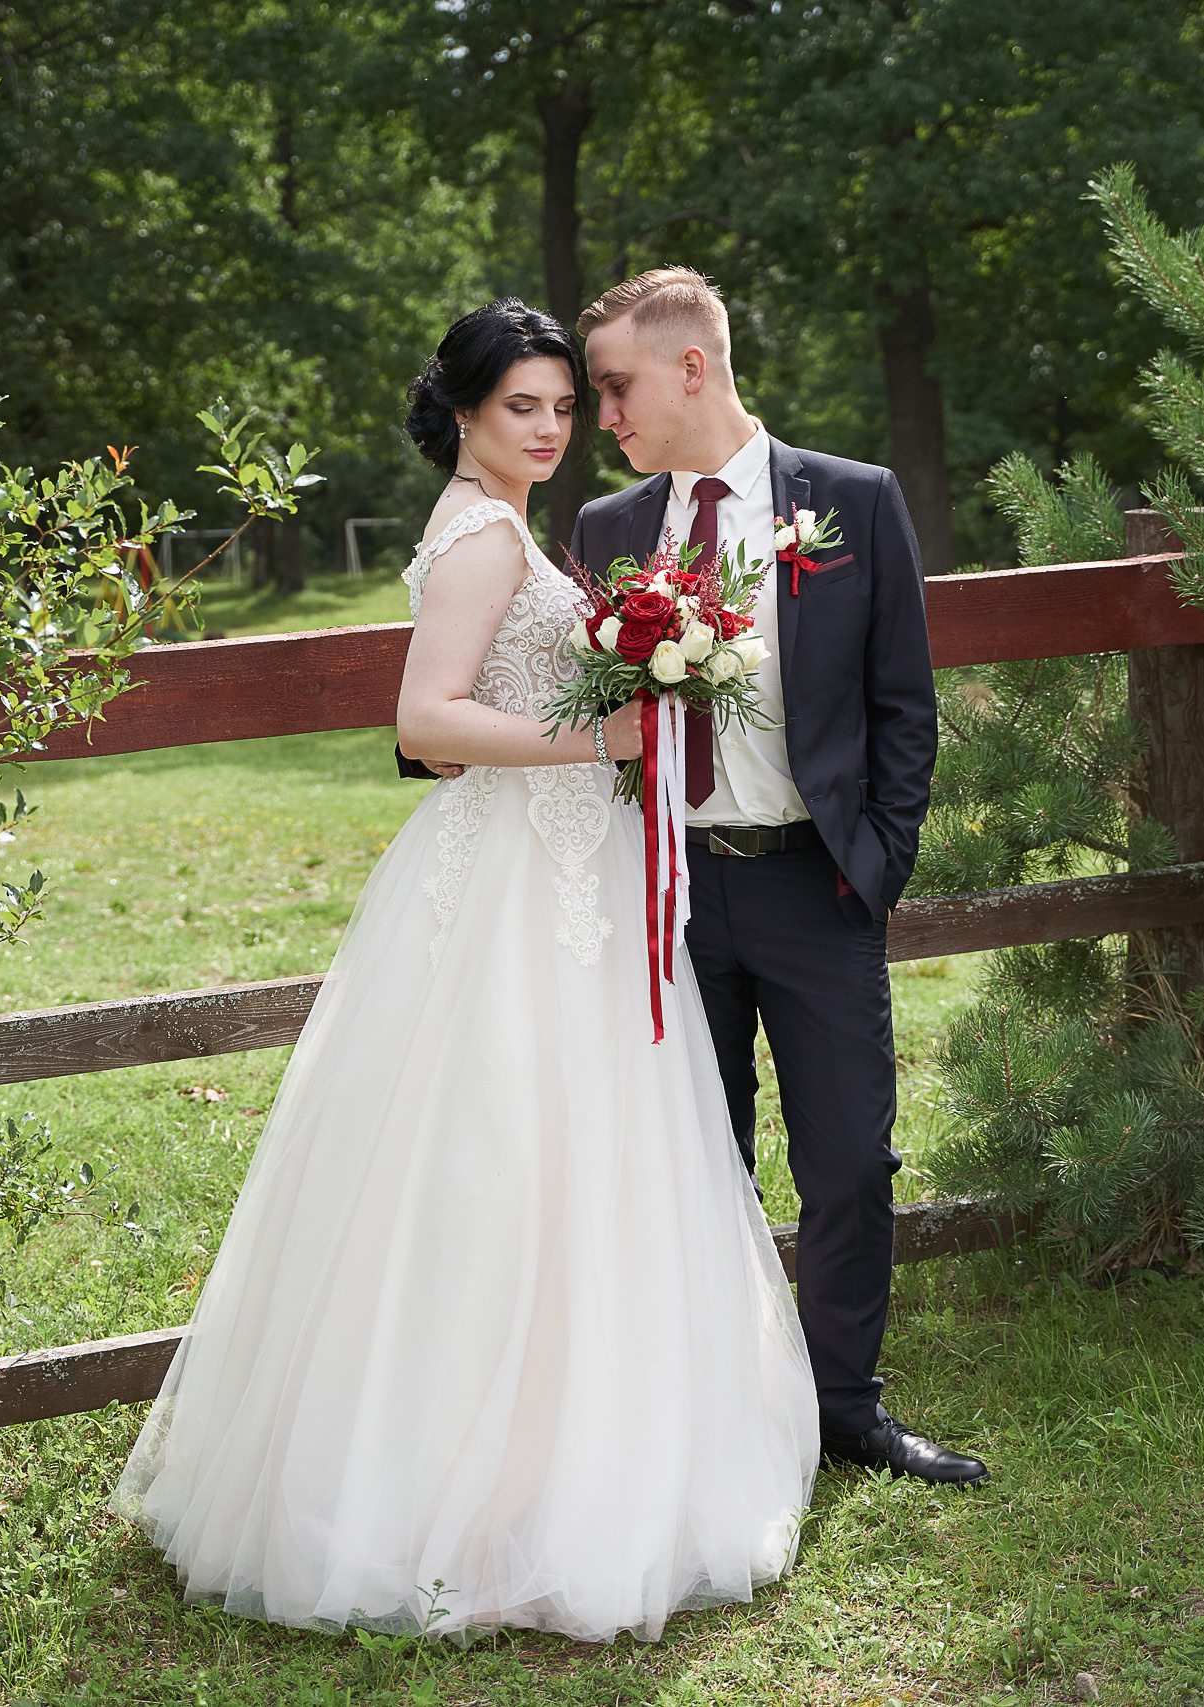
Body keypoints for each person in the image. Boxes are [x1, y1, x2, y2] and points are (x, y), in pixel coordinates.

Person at [110, 299, 818, 1643]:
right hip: (512, 876)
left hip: (562, 868)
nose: (550, 430)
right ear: (462, 412)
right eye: (520, 408)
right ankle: (475, 1495)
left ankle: (548, 1462)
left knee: (561, 1160)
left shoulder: (495, 520)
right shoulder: (483, 535)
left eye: (563, 407)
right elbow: (426, 720)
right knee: (505, 1149)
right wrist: (606, 741)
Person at [569, 267, 989, 1489]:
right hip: (668, 892)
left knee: (851, 1160)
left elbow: (903, 704)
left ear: (691, 367)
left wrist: (877, 863)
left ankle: (845, 1409)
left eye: (617, 387)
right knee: (697, 1160)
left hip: (817, 885)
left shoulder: (851, 502)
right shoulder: (605, 531)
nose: (605, 414)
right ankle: (714, 1412)